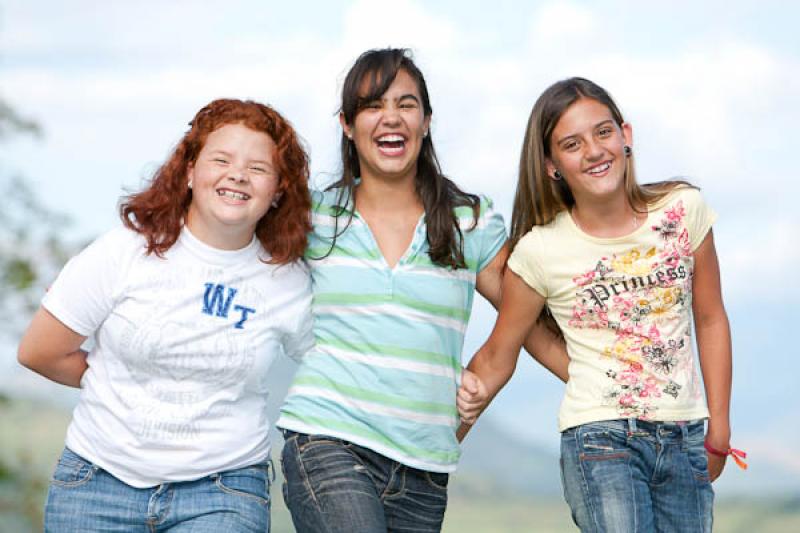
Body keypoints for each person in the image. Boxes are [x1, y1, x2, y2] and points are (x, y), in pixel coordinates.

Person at [276, 48, 568, 533]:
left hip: (425, 464)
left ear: (426, 121)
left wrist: (602, 387)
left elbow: (524, 319)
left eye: (406, 104)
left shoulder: (468, 222)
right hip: (327, 438)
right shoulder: (312, 218)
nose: (391, 117)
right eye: (372, 105)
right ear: (347, 124)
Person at [459, 77, 743, 532]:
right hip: (601, 439)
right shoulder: (539, 251)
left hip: (686, 433)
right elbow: (499, 354)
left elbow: (711, 318)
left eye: (603, 132)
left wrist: (720, 429)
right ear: (552, 165)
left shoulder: (682, 210)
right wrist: (439, 440)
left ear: (625, 136)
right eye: (572, 144)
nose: (593, 151)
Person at [17, 99, 313, 532]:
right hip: (97, 483)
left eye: (258, 168)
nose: (238, 174)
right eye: (221, 159)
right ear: (190, 172)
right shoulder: (124, 252)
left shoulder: (288, 283)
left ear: (278, 191)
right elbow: (39, 352)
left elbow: (335, 367)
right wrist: (119, 383)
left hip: (224, 491)